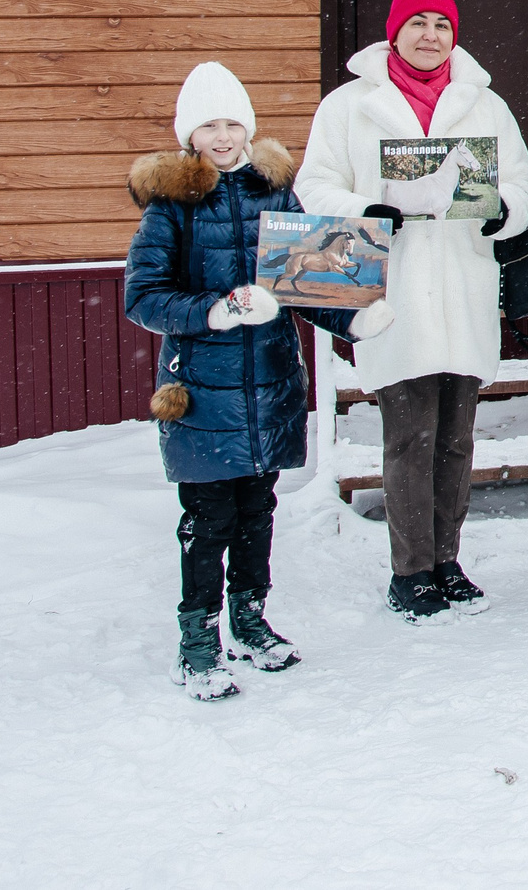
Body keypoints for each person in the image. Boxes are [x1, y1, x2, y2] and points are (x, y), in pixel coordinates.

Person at [297, 0, 528, 622]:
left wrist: (503, 211)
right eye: (417, 23)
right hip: (393, 289)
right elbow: (314, 186)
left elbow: (521, 182)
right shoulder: (349, 106)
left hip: (462, 283)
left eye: (441, 25)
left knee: (457, 437)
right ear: (395, 30)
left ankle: (448, 560)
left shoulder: (483, 104)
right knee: (409, 434)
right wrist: (369, 208)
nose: (429, 35)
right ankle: (411, 570)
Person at [125, 62, 357, 700]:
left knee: (258, 509)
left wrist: (356, 318)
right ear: (188, 136)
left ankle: (250, 620)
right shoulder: (170, 207)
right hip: (202, 387)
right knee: (208, 517)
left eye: (233, 123)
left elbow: (311, 278)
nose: (223, 136)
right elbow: (143, 298)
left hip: (271, 382)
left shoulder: (276, 194)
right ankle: (197, 640)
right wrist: (215, 311)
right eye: (209, 126)